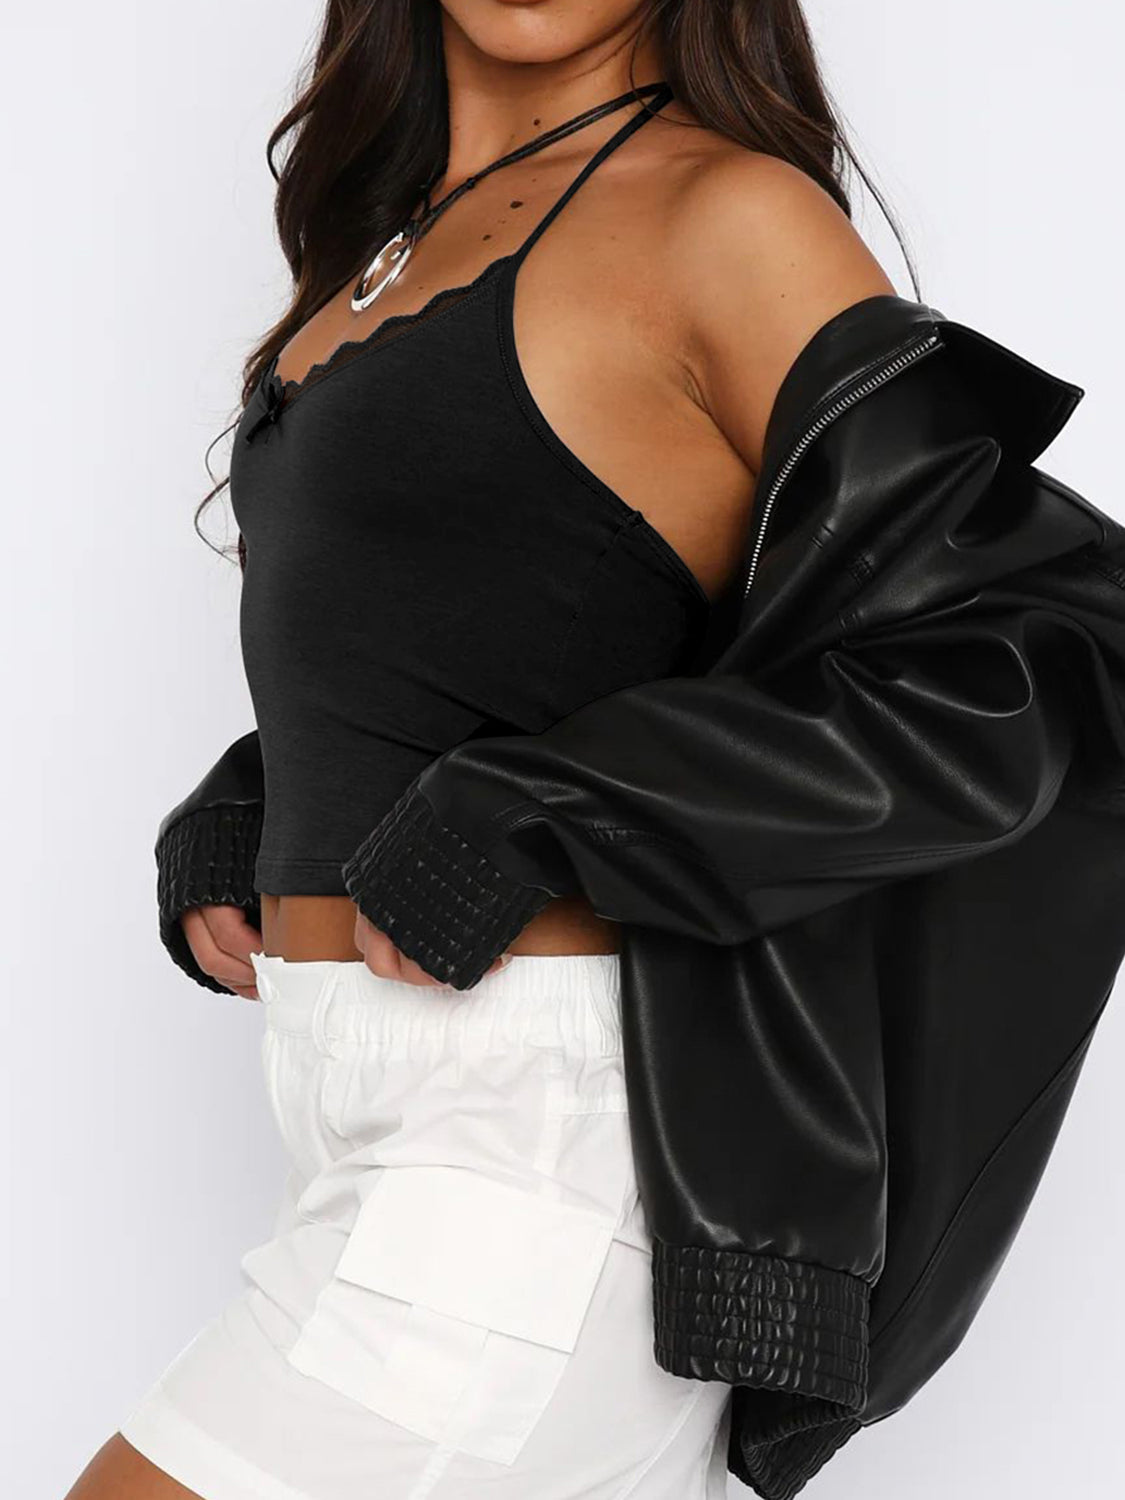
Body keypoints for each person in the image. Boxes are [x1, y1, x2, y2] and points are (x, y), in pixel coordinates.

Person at [67, 3, 1125, 1499]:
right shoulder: (388, 240)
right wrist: (260, 804)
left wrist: (545, 814)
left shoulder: (722, 217)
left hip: (538, 1136)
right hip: (367, 1107)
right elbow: (508, 629)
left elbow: (1028, 649)